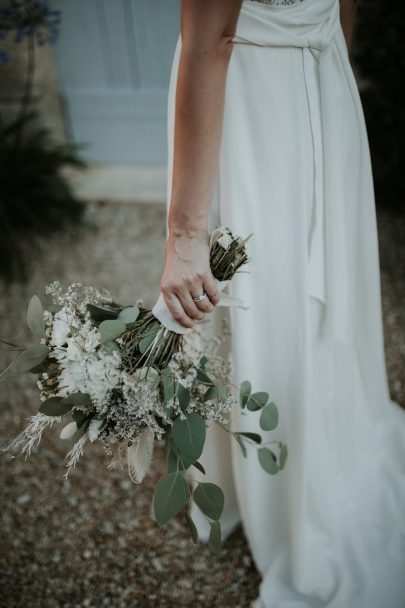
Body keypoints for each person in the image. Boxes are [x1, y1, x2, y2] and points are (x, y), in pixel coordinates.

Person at [158, 1, 405, 606]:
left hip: (252, 99)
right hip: (318, 83)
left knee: (257, 288)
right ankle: (293, 460)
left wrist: (186, 235)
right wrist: (328, 68)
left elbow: (211, 37)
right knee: (275, 289)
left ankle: (276, 482)